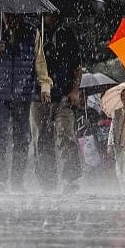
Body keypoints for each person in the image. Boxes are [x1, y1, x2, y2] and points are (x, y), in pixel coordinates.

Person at [0, 13, 44, 194]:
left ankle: (17, 180)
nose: (10, 17)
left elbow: (40, 61)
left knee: (22, 138)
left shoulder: (31, 32)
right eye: (6, 14)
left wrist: (44, 85)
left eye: (13, 14)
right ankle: (0, 180)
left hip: (23, 93)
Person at [30, 12, 83, 194]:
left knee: (66, 135)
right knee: (41, 138)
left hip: (63, 96)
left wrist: (75, 90)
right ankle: (47, 181)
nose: (50, 16)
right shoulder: (34, 33)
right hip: (38, 96)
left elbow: (77, 66)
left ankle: (70, 179)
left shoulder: (67, 35)